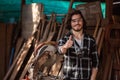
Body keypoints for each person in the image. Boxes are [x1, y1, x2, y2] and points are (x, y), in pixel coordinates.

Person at [58, 9, 99, 80]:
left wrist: (93, 78)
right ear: (70, 23)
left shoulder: (91, 40)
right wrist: (65, 46)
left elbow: (95, 62)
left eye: (79, 20)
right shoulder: (65, 39)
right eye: (74, 21)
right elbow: (60, 50)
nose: (77, 23)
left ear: (83, 21)